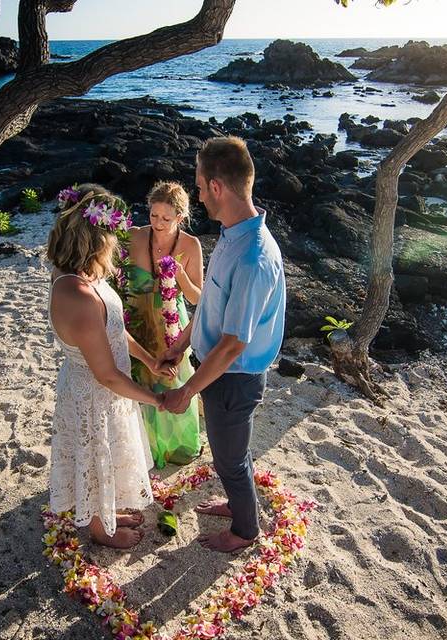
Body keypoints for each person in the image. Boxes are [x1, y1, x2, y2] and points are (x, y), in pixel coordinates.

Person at [161, 137, 286, 553]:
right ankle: (237, 503)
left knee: (231, 460)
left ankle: (245, 531)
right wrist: (182, 343)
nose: (196, 195)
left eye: (198, 187)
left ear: (217, 187)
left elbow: (233, 344)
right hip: (216, 370)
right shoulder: (231, 234)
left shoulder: (253, 256)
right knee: (227, 453)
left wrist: (186, 389)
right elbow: (212, 303)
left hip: (234, 378)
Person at [47, 183, 172, 549]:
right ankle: (100, 530)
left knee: (108, 454)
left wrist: (149, 359)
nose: (117, 245)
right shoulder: (78, 296)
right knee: (96, 455)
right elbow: (105, 373)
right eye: (112, 238)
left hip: (108, 390)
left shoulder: (87, 277)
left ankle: (107, 510)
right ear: (96, 240)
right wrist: (158, 400)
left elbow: (114, 333)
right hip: (94, 394)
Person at [124, 181, 204, 468]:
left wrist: (180, 276)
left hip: (173, 325)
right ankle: (145, 447)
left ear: (180, 218)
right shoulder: (135, 237)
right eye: (153, 215)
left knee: (174, 380)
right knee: (141, 380)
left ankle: (176, 447)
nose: (158, 223)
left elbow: (198, 297)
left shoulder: (191, 245)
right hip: (138, 321)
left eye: (166, 218)